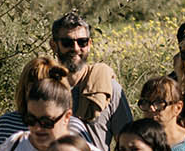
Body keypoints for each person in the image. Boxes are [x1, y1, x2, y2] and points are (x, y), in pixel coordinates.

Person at [51, 11, 131, 141]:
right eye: (67, 43)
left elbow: (127, 141)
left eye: (82, 42)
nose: (76, 48)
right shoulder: (46, 88)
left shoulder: (109, 89)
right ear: (54, 45)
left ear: (89, 45)